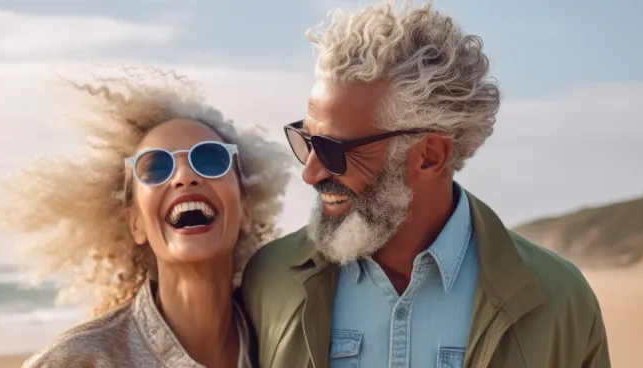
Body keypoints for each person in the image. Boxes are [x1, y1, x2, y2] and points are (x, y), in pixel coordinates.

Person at [241, 1, 611, 367]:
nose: (310, 172)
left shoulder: (560, 300)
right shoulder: (268, 281)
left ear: (430, 155)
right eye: (306, 140)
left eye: (332, 150)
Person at [0, 67, 291, 367]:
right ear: (136, 223)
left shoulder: (289, 342)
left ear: (245, 212)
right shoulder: (77, 362)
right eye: (156, 167)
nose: (185, 176)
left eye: (210, 159)